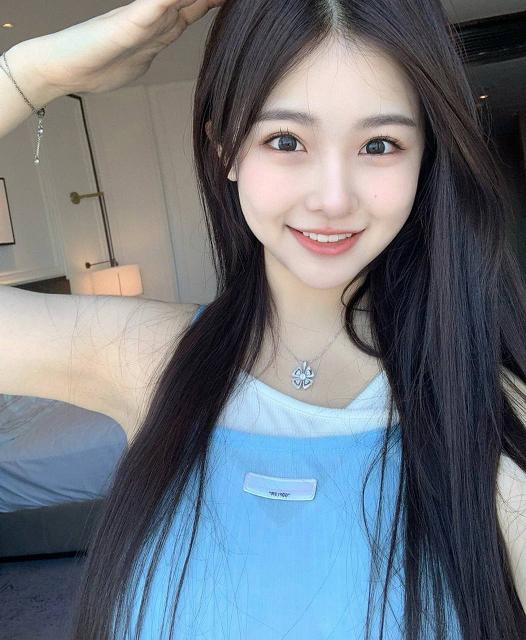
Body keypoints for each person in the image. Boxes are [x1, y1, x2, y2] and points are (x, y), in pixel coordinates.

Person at [1, 0, 526, 638]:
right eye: (285, 141)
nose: (332, 198)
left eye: (379, 145)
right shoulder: (144, 355)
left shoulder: (491, 408)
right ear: (226, 149)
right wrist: (33, 72)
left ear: (425, 159)